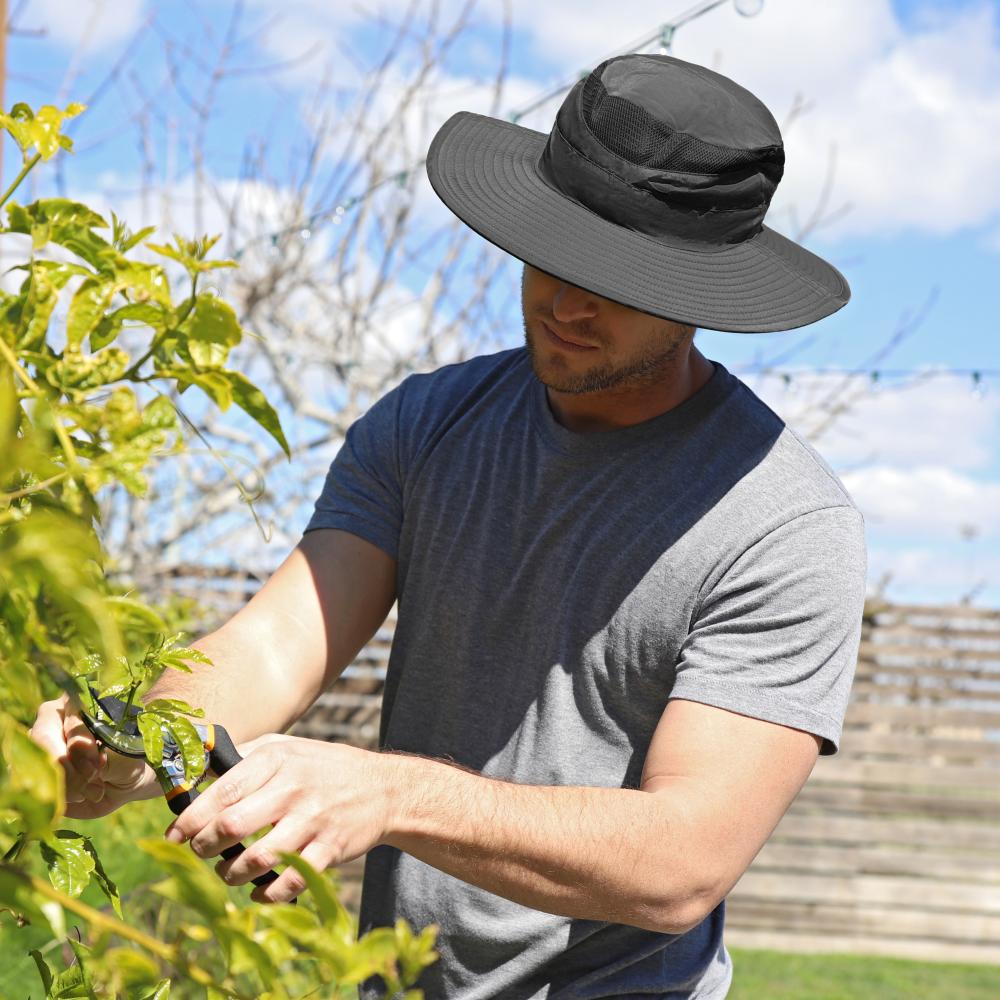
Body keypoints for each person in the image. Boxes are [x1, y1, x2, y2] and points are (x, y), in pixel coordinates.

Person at [30, 53, 867, 999]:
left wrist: (390, 793)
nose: (566, 302)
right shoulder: (428, 424)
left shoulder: (783, 522)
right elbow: (274, 647)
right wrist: (134, 743)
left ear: (701, 293)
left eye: (620, 278)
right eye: (553, 252)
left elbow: (685, 861)